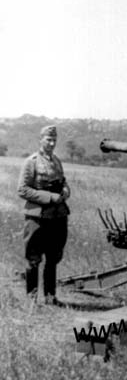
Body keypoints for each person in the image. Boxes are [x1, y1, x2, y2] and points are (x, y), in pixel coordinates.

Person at [17, 125, 70, 304]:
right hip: (37, 216)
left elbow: (63, 181)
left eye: (54, 140)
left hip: (58, 216)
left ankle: (50, 296)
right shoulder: (31, 162)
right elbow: (22, 190)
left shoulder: (57, 161)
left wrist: (65, 191)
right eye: (48, 139)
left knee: (53, 257)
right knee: (33, 258)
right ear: (41, 139)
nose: (52, 143)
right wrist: (49, 197)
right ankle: (31, 298)